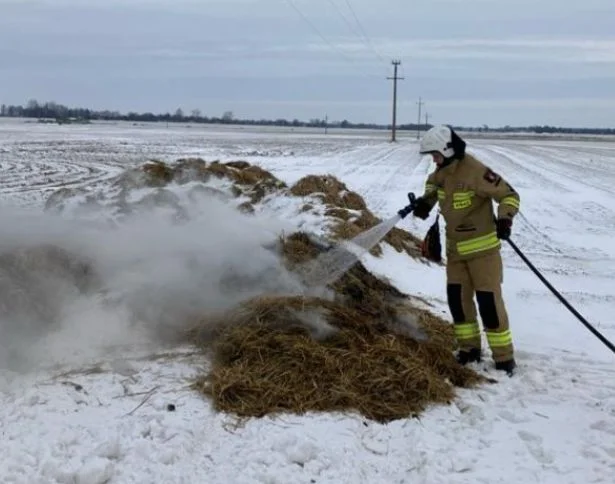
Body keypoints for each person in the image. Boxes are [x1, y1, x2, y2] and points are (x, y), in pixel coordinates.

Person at [411, 125, 519, 376]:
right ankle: (469, 350)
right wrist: (424, 205)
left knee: (488, 304)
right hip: (456, 253)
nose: (433, 160)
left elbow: (509, 195)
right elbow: (433, 192)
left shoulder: (475, 171)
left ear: (448, 149)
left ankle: (504, 358)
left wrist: (505, 219)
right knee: (458, 301)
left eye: (435, 154)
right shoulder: (440, 174)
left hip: (483, 253)